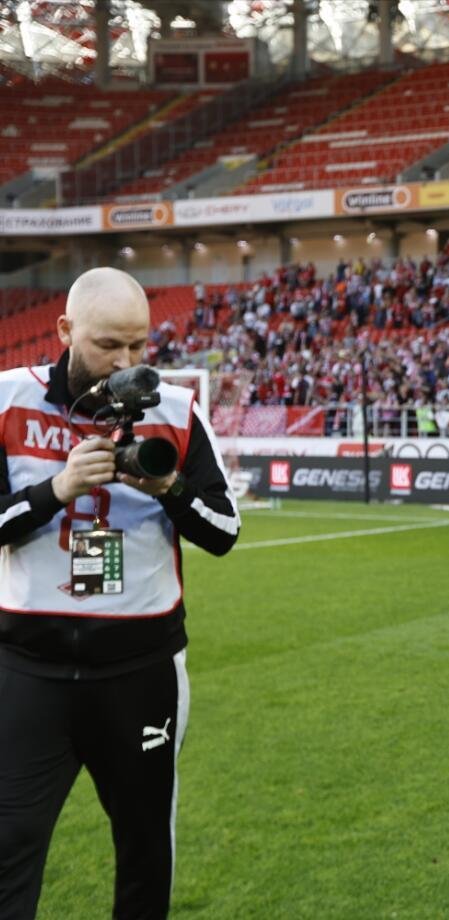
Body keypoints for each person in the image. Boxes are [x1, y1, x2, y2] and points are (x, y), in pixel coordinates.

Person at [0, 267, 241, 919]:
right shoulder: (6, 400)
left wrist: (170, 489)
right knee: (7, 848)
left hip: (141, 671)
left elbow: (224, 533)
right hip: (27, 670)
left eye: (138, 344)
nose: (126, 360)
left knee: (144, 852)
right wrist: (56, 490)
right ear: (65, 330)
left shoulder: (176, 410)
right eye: (109, 344)